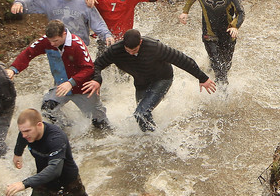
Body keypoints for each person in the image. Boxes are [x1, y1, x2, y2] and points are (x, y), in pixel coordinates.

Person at [84, 30, 215, 132]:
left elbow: (181, 59)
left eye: (134, 50)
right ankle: (150, 137)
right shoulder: (115, 50)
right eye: (127, 50)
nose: (130, 53)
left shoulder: (155, 47)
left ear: (140, 42)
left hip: (162, 79)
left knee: (140, 113)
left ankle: (155, 139)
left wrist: (202, 78)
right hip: (141, 82)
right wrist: (97, 80)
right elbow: (97, 65)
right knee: (142, 114)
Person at [6, 19, 113, 132]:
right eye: (50, 41)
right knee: (47, 109)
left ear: (64, 34)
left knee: (100, 125)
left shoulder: (76, 44)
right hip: (61, 87)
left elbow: (88, 68)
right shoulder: (46, 41)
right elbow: (28, 53)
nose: (52, 44)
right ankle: (67, 132)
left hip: (83, 88)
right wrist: (13, 69)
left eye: (55, 41)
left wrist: (70, 82)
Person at [5, 108, 100, 196]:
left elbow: (55, 170)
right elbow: (21, 138)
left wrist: (24, 183)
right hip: (44, 182)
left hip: (68, 183)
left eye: (27, 131)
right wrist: (17, 154)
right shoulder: (26, 134)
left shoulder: (56, 138)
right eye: (21, 131)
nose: (24, 135)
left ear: (39, 125)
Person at [179, 0, 245, 84]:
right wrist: (185, 12)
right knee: (220, 71)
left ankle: (211, 67)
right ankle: (222, 96)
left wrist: (235, 27)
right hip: (209, 34)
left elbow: (241, 12)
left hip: (228, 35)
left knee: (225, 67)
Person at [11, 0, 113, 48]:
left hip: (77, 47)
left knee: (78, 76)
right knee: (60, 76)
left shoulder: (85, 2)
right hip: (55, 46)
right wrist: (20, 3)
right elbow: (32, 0)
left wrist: (107, 35)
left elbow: (97, 22)